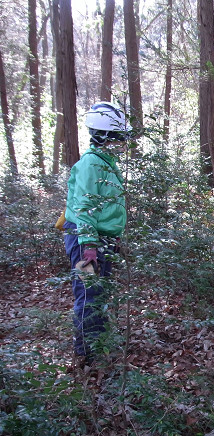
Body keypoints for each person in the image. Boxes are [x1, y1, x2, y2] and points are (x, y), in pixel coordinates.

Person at [63, 101, 130, 366]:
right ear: (105, 136)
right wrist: (89, 243)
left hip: (102, 238)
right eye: (118, 137)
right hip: (88, 239)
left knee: (99, 294)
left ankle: (98, 343)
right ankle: (88, 354)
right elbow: (85, 204)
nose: (121, 142)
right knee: (89, 296)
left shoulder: (105, 161)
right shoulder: (91, 164)